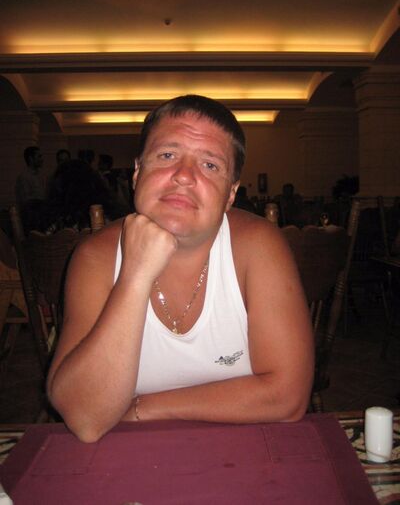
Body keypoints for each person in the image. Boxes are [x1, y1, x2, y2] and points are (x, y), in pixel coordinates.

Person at [47, 95, 313, 443]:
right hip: (131, 456)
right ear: (137, 172)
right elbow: (85, 418)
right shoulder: (95, 257)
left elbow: (287, 397)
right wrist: (136, 275)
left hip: (245, 451)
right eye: (167, 156)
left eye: (210, 165)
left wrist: (144, 408)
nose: (184, 176)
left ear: (231, 194)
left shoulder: (259, 246)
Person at [15, 146, 45, 211]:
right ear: (31, 159)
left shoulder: (41, 175)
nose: (42, 159)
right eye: (39, 156)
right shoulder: (24, 177)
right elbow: (26, 201)